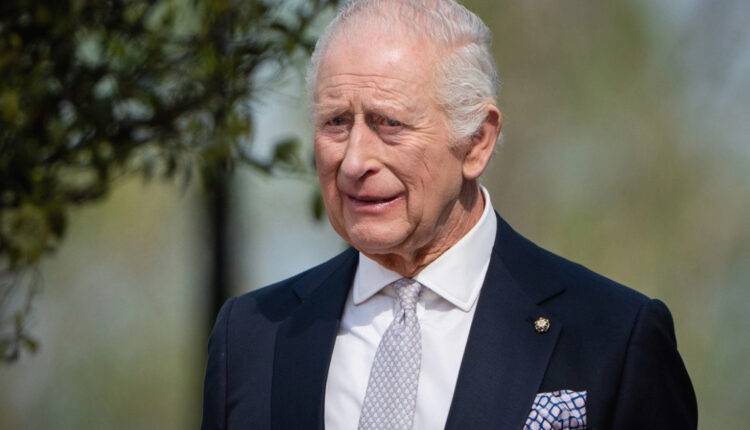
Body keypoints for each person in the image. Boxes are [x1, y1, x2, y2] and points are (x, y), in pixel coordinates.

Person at [201, 0, 697, 429]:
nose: (353, 162)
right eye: (336, 122)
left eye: (388, 123)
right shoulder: (251, 336)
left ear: (477, 141)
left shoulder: (610, 336)